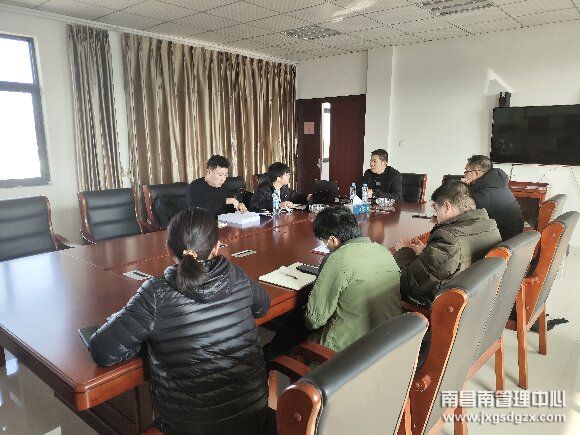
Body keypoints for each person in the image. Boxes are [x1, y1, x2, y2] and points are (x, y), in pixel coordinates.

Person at [89, 208, 272, 434]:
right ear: (217, 247)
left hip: (193, 428)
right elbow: (263, 307)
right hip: (255, 417)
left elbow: (103, 351)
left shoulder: (155, 292)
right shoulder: (236, 274)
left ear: (168, 248)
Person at [264, 206, 401, 357]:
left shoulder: (338, 259)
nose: (327, 247)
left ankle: (270, 358)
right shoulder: (383, 251)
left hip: (347, 351)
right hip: (387, 340)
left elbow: (314, 320)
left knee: (295, 321)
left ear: (333, 239)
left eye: (325, 242)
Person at [394, 180, 501, 307]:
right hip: (475, 300)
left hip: (440, 305)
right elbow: (456, 259)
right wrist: (428, 252)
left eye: (436, 210)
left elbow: (409, 284)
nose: (436, 218)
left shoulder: (449, 240)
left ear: (447, 206)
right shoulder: (490, 227)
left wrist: (405, 250)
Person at [463, 155, 524, 241]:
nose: (464, 175)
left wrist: (461, 186)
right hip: (513, 237)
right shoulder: (497, 184)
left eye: (466, 172)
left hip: (501, 243)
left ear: (476, 173)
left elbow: (461, 213)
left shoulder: (484, 195)